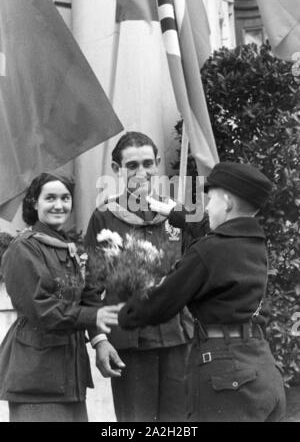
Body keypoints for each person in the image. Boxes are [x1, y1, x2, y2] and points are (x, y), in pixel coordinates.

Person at [119, 161, 286, 422]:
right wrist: (174, 212)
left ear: (227, 202)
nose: (206, 207)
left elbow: (159, 304)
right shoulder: (254, 244)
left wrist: (121, 313)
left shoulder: (208, 251)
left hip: (225, 372)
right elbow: (215, 232)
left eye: (211, 200)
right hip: (261, 366)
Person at [85, 131, 194, 422]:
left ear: (157, 164)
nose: (141, 172)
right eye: (132, 165)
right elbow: (91, 287)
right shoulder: (104, 217)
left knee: (180, 425)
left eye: (148, 163)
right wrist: (99, 340)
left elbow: (198, 274)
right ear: (116, 169)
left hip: (178, 338)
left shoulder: (176, 214)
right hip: (131, 342)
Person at [0, 172, 122, 422]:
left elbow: (86, 295)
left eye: (65, 198)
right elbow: (41, 310)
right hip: (37, 379)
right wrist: (94, 315)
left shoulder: (66, 248)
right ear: (35, 203)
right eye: (50, 198)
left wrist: (100, 341)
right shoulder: (23, 249)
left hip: (68, 377)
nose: (59, 205)